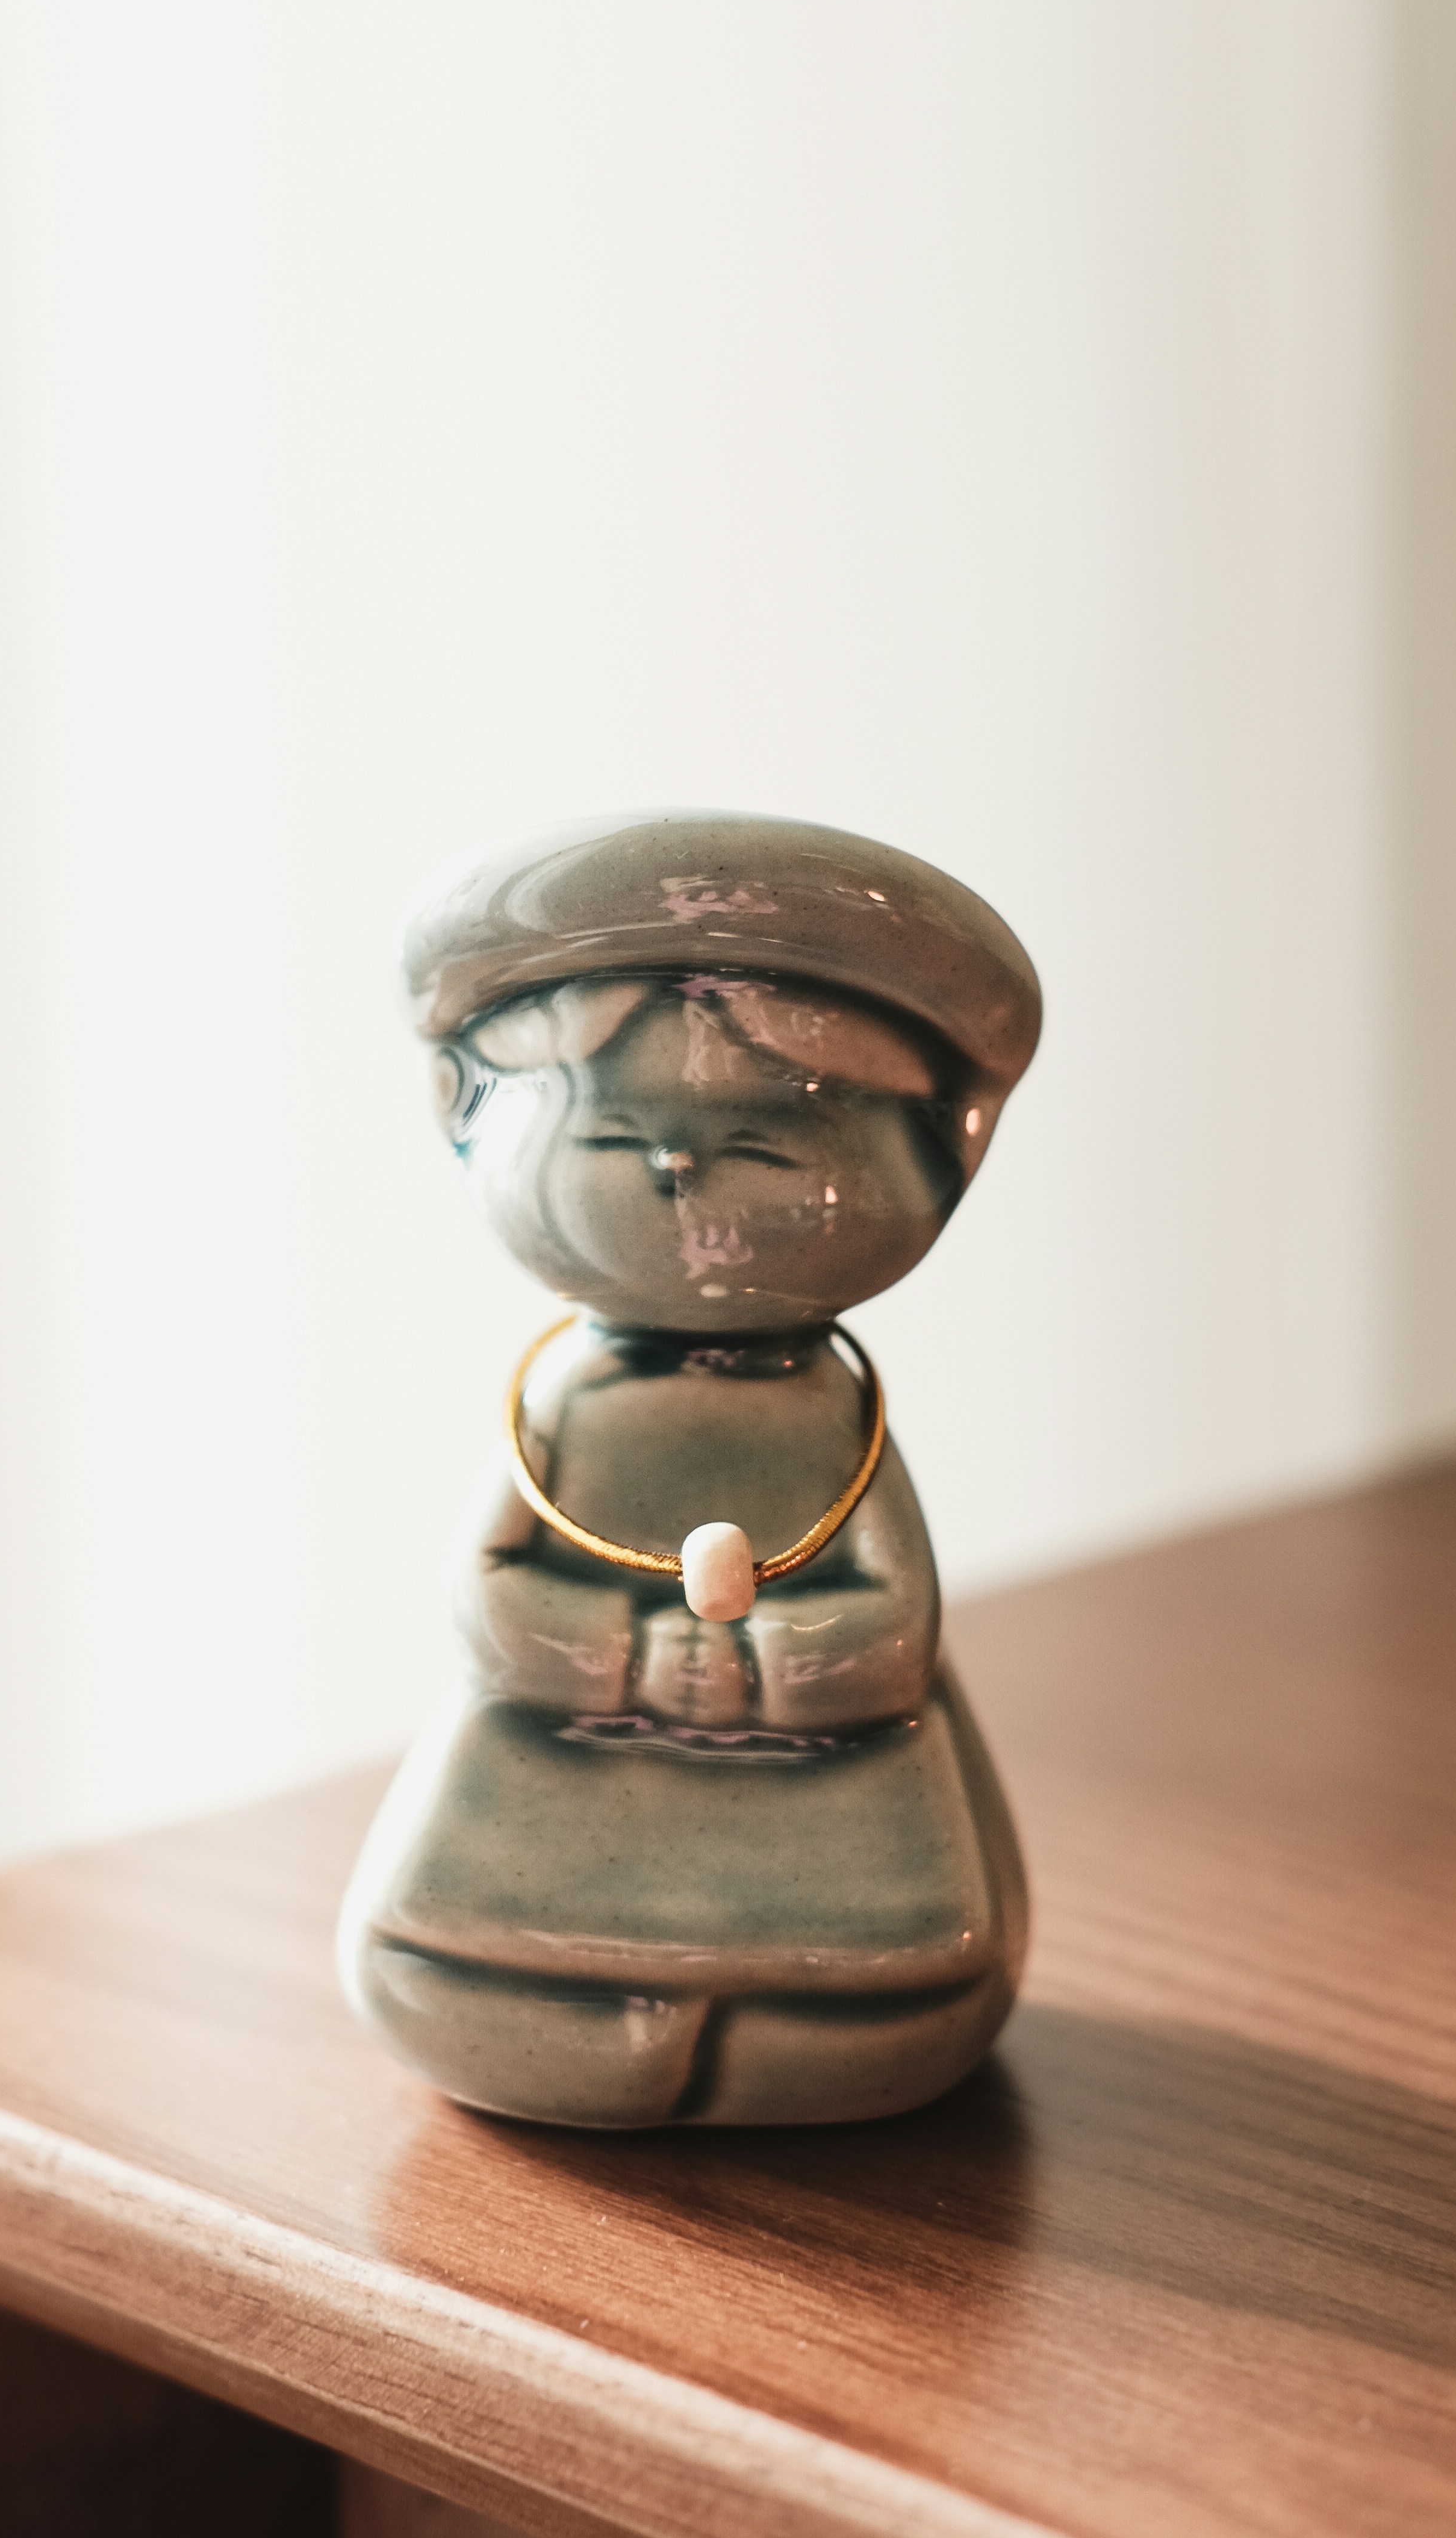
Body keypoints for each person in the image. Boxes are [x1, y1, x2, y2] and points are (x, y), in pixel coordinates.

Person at [338, 811, 1041, 2126]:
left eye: (773, 1135)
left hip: (820, 1789)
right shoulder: (569, 1398)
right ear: (467, 1117)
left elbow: (896, 1630)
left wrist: (772, 1658)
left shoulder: (829, 1410)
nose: (680, 1170)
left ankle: (804, 2015)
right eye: (613, 1133)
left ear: (947, 1152)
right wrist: (618, 1655)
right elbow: (487, 1590)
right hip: (556, 1781)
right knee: (467, 1961)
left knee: (882, 1989)